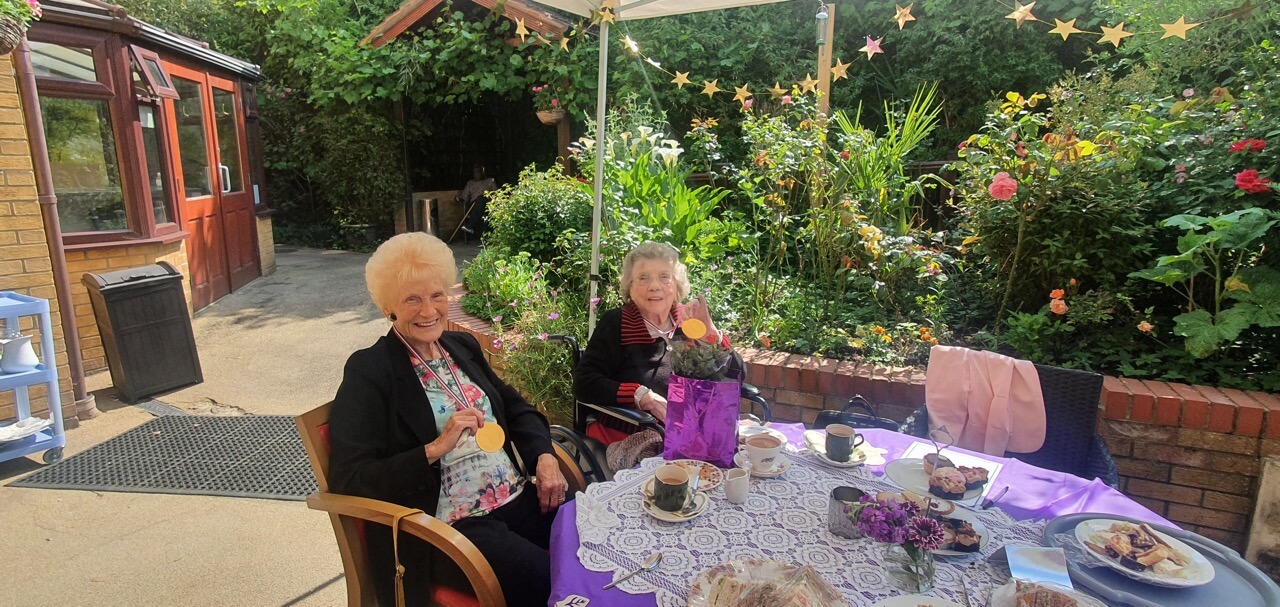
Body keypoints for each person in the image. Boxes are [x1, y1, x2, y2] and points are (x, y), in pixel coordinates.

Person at [328, 232, 567, 607]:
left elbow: (516, 407)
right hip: (451, 529)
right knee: (555, 581)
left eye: (436, 295)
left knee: (597, 539)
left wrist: (545, 456)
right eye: (412, 299)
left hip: (519, 496)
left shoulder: (461, 347)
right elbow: (349, 478)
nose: (428, 310)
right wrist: (435, 448)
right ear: (387, 307)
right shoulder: (370, 371)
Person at [573, 241, 731, 445]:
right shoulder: (618, 323)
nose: (654, 286)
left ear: (677, 286)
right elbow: (584, 382)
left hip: (693, 433)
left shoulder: (689, 320)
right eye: (643, 278)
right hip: (633, 436)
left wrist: (711, 335)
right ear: (630, 287)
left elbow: (734, 375)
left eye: (664, 276)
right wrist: (641, 396)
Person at [457, 164, 496, 236]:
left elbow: (496, 195)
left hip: (488, 205)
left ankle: (470, 226)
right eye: (474, 172)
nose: (476, 174)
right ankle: (484, 237)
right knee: (480, 199)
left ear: (482, 172)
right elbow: (464, 197)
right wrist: (459, 199)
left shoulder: (490, 181)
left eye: (478, 172)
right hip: (474, 206)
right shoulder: (470, 183)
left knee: (483, 204)